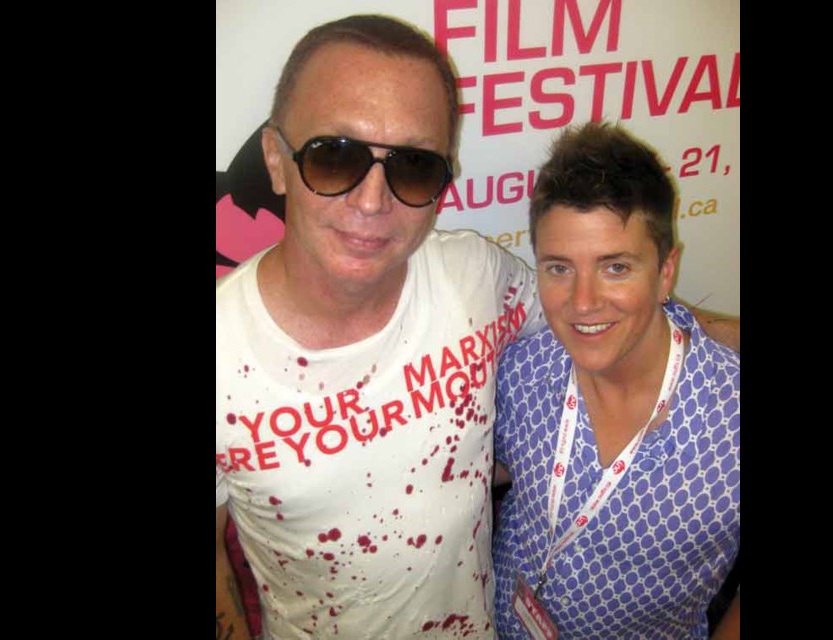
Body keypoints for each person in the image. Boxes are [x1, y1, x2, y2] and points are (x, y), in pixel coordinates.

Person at [216, 14, 740, 640]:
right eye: (337, 157)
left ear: (442, 182)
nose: (373, 199)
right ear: (276, 160)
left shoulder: (474, 275)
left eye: (412, 166)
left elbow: (590, 309)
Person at [491, 122, 740, 639]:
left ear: (665, 271)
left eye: (616, 267)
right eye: (559, 268)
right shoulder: (520, 369)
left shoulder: (731, 417)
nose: (582, 303)